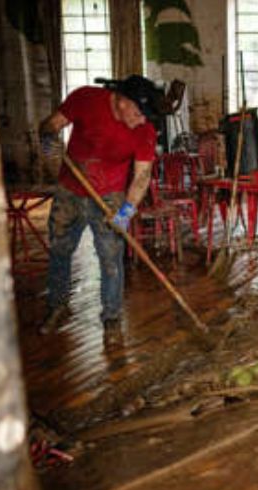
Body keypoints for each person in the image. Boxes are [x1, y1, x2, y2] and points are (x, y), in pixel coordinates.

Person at [37, 75, 164, 337]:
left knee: (111, 258)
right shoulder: (86, 98)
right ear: (123, 102)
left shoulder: (144, 130)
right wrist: (49, 140)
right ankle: (57, 306)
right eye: (140, 113)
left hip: (110, 195)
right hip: (70, 190)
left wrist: (126, 212)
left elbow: (141, 176)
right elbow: (49, 126)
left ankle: (112, 318)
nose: (143, 121)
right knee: (60, 249)